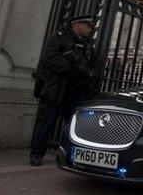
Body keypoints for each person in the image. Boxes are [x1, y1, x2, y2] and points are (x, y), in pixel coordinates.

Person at [29, 15, 97, 166]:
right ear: (78, 25)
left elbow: (91, 63)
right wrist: (72, 71)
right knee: (46, 123)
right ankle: (36, 154)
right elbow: (51, 60)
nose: (90, 30)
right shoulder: (57, 37)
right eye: (88, 26)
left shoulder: (88, 43)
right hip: (56, 88)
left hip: (76, 91)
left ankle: (66, 155)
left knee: (73, 126)